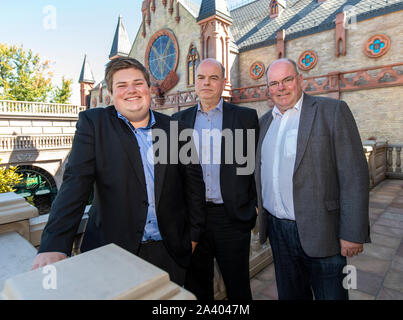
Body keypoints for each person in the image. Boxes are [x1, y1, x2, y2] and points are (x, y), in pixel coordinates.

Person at [31, 57, 206, 286]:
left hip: (170, 251)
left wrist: (193, 237)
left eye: (138, 83)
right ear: (111, 95)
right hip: (112, 252)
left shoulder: (176, 128)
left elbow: (194, 188)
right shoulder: (94, 123)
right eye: (121, 86)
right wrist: (54, 245)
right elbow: (75, 184)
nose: (131, 90)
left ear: (149, 88)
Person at [256, 58, 370, 300]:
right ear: (268, 88)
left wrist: (352, 232)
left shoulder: (332, 111)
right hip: (278, 232)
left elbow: (354, 175)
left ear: (300, 80)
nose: (281, 87)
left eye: (287, 79)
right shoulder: (264, 123)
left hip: (322, 231)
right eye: (274, 83)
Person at [173, 58, 258, 300]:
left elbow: (255, 165)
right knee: (198, 287)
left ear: (222, 82)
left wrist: (254, 206)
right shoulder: (178, 122)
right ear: (195, 83)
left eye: (213, 78)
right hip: (194, 219)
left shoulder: (245, 117)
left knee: (238, 287)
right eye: (201, 77)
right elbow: (174, 173)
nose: (206, 83)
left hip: (232, 218)